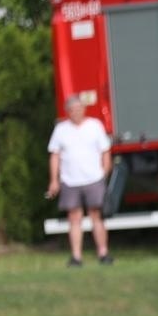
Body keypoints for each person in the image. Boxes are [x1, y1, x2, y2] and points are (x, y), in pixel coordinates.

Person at [46, 95, 114, 267]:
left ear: (84, 109)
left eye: (79, 109)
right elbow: (55, 155)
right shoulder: (61, 130)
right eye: (72, 110)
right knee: (74, 217)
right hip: (70, 181)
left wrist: (104, 172)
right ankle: (76, 256)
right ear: (67, 112)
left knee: (96, 215)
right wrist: (54, 180)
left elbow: (105, 151)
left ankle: (103, 253)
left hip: (94, 179)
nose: (76, 112)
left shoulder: (94, 126)